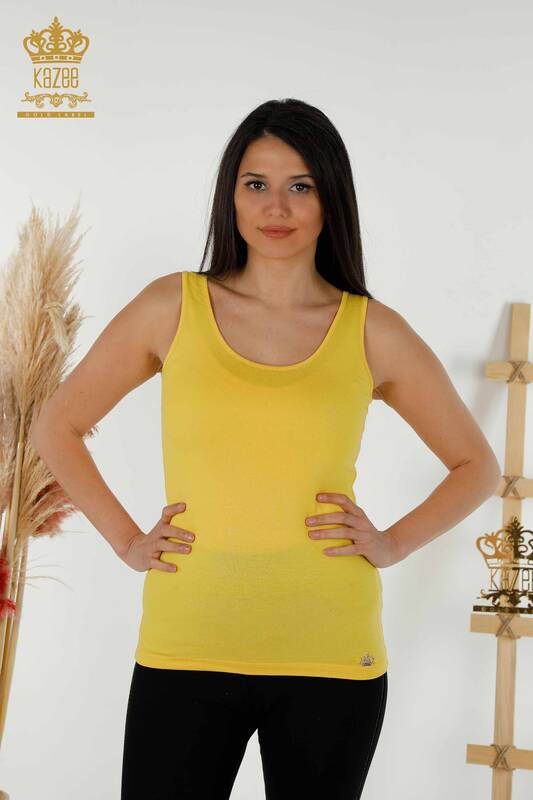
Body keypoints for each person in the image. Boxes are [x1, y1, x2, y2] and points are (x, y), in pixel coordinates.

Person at [29, 98, 501, 800]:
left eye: (299, 185)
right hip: (186, 644)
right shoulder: (171, 306)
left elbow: (477, 467)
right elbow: (56, 425)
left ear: (329, 198)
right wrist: (127, 541)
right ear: (231, 196)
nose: (275, 206)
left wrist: (392, 543)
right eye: (256, 184)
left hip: (330, 654)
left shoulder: (372, 331)